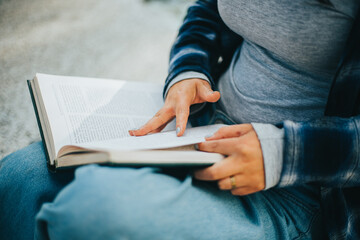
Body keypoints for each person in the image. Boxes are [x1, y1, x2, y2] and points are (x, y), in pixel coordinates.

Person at [1, 0, 359, 239]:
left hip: (296, 188)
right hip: (198, 128)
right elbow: (208, 11)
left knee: (93, 210)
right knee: (20, 177)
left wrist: (282, 152)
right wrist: (189, 71)